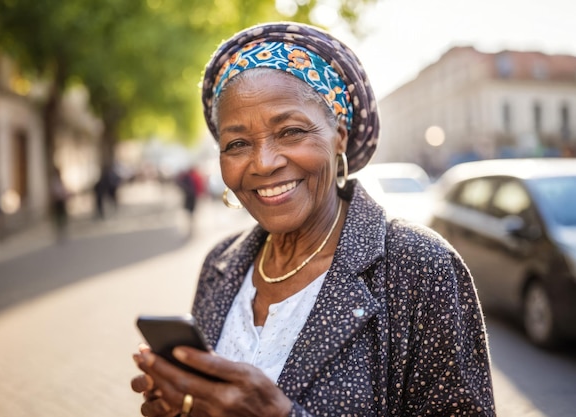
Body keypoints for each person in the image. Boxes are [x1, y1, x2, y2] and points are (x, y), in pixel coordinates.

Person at [131, 22, 495, 416]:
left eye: (290, 132)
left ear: (339, 136)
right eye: (237, 143)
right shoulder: (221, 266)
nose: (264, 163)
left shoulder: (419, 266)